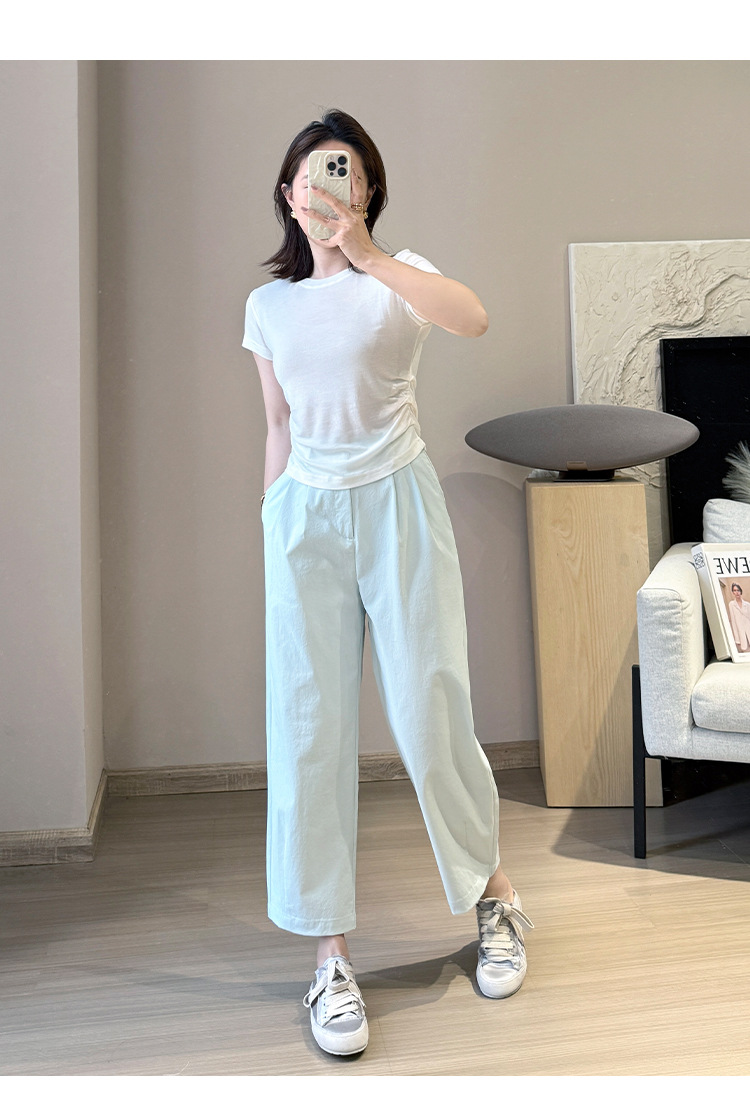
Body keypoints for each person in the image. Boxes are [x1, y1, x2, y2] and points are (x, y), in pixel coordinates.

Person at [242, 109, 533, 1057]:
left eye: (348, 171)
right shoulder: (269, 307)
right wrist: (274, 515)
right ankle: (329, 957)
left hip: (399, 502)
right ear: (289, 193)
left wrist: (365, 252)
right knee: (309, 730)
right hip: (305, 517)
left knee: (430, 710)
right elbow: (278, 422)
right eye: (315, 173)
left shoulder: (399, 277)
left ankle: (495, 896)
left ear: (366, 189)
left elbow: (473, 317)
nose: (329, 185)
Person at [728, 582, 750, 652]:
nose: (737, 592)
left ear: (741, 591)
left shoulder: (747, 604)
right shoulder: (731, 604)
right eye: (735, 590)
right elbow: (733, 622)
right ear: (733, 592)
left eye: (738, 590)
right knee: (745, 652)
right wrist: (737, 639)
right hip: (741, 634)